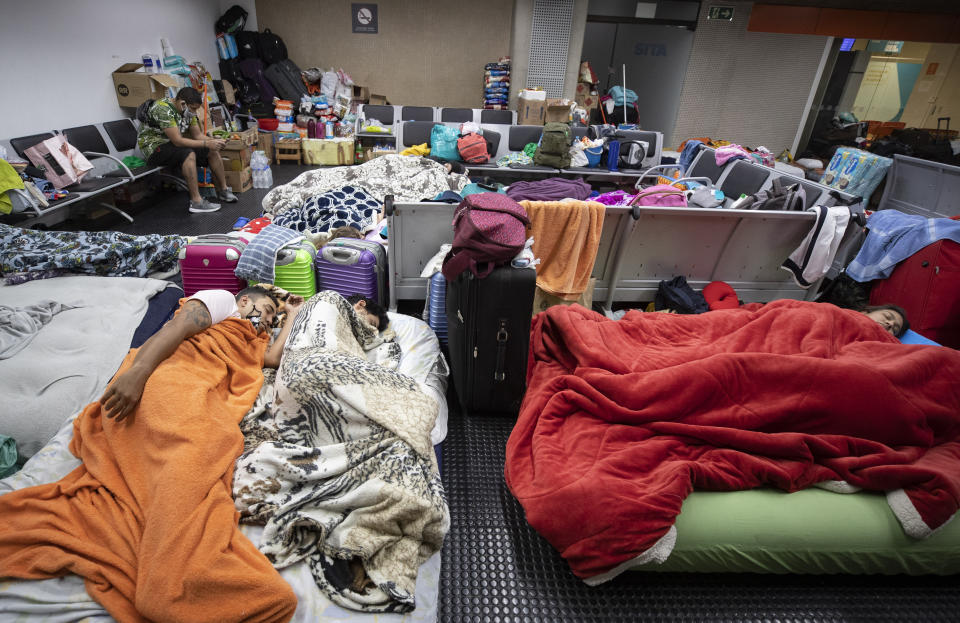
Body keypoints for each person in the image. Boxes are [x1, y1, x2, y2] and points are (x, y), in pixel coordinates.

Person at [101, 285, 303, 421]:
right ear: (244, 301)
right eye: (267, 310)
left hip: (206, 386)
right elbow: (177, 328)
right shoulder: (225, 302)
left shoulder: (256, 338)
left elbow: (273, 358)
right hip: (177, 368)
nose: (268, 320)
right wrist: (138, 372)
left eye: (272, 318)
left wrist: (292, 314)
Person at [136, 87, 238, 214]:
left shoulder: (188, 111)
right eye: (193, 108)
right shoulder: (163, 109)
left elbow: (198, 136)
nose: (195, 113)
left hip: (171, 145)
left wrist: (214, 141)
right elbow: (177, 141)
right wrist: (207, 143)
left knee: (211, 151)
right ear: (182, 103)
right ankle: (196, 202)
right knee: (187, 153)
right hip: (154, 148)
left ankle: (223, 191)